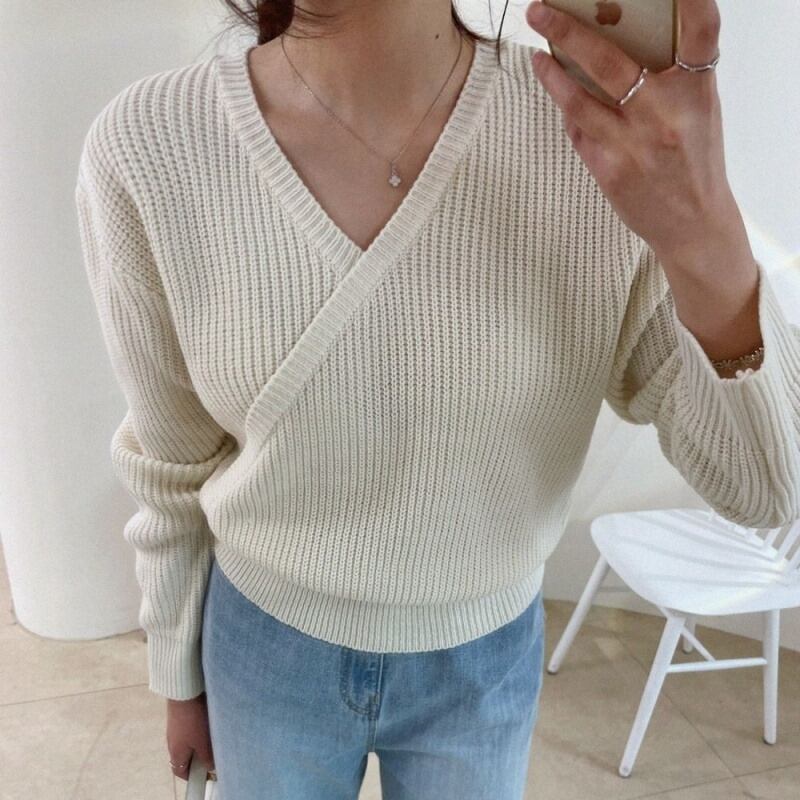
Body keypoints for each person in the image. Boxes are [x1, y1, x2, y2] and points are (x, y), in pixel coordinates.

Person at [75, 0, 800, 797]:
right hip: (263, 648)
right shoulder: (151, 145)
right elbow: (171, 457)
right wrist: (177, 671)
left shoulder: (600, 143)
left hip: (483, 666)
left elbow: (768, 489)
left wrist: (705, 235)